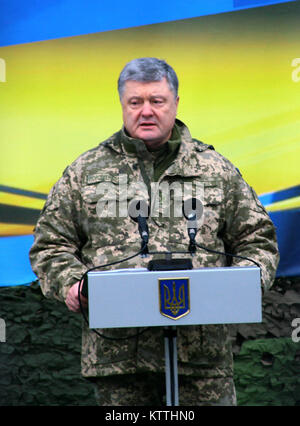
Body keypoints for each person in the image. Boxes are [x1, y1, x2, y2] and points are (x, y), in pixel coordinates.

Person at [29, 57, 279, 406]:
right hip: (119, 359)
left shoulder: (214, 169)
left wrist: (242, 282)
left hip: (201, 360)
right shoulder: (86, 171)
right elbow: (50, 245)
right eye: (136, 102)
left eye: (156, 101)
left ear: (175, 103)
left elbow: (258, 240)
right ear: (122, 105)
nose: (146, 111)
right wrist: (71, 284)